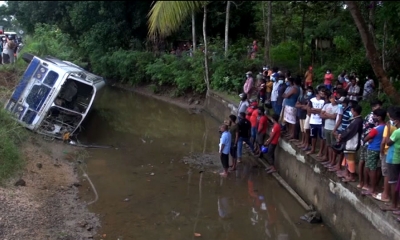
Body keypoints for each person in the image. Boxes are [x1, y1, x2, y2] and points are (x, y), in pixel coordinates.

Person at [373, 107, 398, 202]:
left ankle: (386, 195)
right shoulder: (396, 127)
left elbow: (384, 141)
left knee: (387, 175)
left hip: (387, 152)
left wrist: (381, 151)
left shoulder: (389, 126)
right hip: (392, 153)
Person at [358, 100, 382, 190]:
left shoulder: (370, 115)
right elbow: (370, 132)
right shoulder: (373, 117)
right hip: (368, 142)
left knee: (364, 161)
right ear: (374, 107)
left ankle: (363, 182)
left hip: (365, 141)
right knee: (367, 163)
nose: (380, 109)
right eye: (378, 107)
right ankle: (365, 183)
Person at [361, 108, 387, 195]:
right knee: (377, 168)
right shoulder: (386, 127)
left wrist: (367, 139)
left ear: (379, 117)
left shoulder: (376, 129)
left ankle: (372, 189)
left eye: (375, 116)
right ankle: (374, 186)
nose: (374, 117)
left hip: (372, 149)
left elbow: (366, 138)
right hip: (380, 150)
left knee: (371, 169)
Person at [337, 104, 363, 182]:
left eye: (351, 110)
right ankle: (346, 172)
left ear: (354, 111)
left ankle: (352, 176)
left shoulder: (357, 121)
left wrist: (341, 136)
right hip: (349, 141)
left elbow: (349, 131)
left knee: (350, 159)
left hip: (352, 142)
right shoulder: (355, 120)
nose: (350, 111)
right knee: (347, 157)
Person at [380, 107, 400, 212]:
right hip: (398, 157)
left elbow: (388, 142)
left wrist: (388, 129)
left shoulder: (397, 132)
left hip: (393, 158)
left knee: (393, 182)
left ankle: (394, 204)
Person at [319, 94, 339, 164]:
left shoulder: (338, 107)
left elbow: (334, 117)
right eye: (331, 98)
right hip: (326, 127)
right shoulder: (326, 105)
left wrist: (326, 114)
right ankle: (330, 160)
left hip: (333, 128)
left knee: (333, 145)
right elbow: (321, 115)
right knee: (328, 145)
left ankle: (333, 161)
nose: (332, 99)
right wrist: (330, 115)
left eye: (334, 98)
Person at [306, 88, 326, 155]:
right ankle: (313, 149)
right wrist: (318, 110)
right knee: (313, 137)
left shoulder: (324, 101)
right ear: (317, 94)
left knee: (322, 137)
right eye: (321, 93)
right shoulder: (312, 100)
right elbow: (309, 109)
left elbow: (323, 110)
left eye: (323, 93)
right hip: (313, 121)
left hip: (321, 122)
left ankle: (321, 151)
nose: (322, 95)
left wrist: (315, 109)